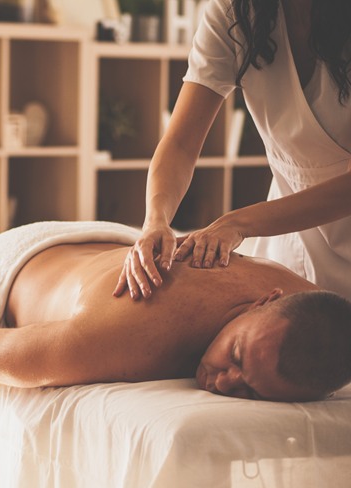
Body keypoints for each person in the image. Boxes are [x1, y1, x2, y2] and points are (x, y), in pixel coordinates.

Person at [113, 0, 351, 302]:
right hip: (289, 242)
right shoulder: (233, 11)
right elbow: (180, 144)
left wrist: (238, 223)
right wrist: (155, 221)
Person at [0, 239, 351, 400]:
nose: (223, 380)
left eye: (249, 391)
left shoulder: (310, 308)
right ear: (264, 301)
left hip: (113, 241)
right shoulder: (135, 330)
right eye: (236, 355)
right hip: (16, 262)